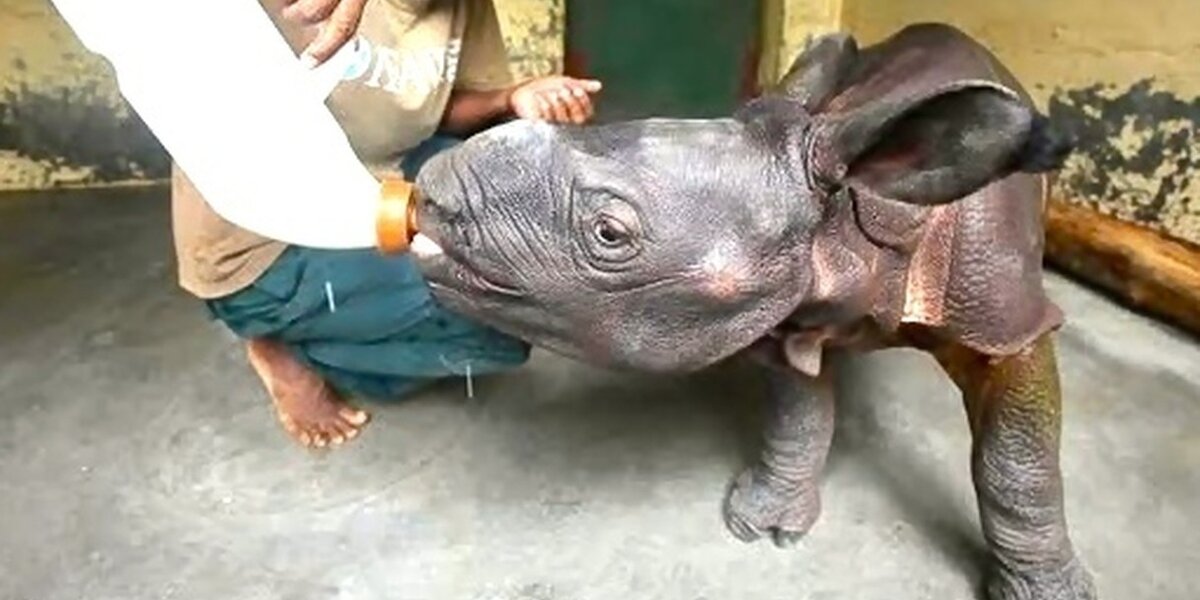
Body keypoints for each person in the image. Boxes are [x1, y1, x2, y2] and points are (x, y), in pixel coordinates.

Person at [166, 0, 601, 448]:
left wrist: (513, 96)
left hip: (378, 176)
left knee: (515, 211)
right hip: (264, 241)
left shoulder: (462, 6)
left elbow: (435, 107)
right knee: (495, 308)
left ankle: (362, 313)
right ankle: (282, 345)